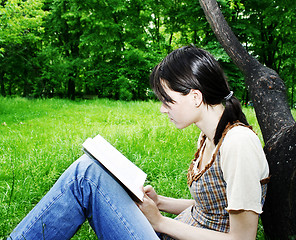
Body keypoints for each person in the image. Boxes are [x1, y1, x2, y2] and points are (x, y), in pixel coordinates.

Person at [8, 45, 269, 240]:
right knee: (90, 170)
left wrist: (161, 222)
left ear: (195, 97)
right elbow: (214, 210)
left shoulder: (238, 143)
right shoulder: (210, 135)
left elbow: (242, 238)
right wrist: (161, 202)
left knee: (85, 175)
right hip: (179, 230)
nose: (162, 109)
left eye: (167, 100)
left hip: (170, 233)